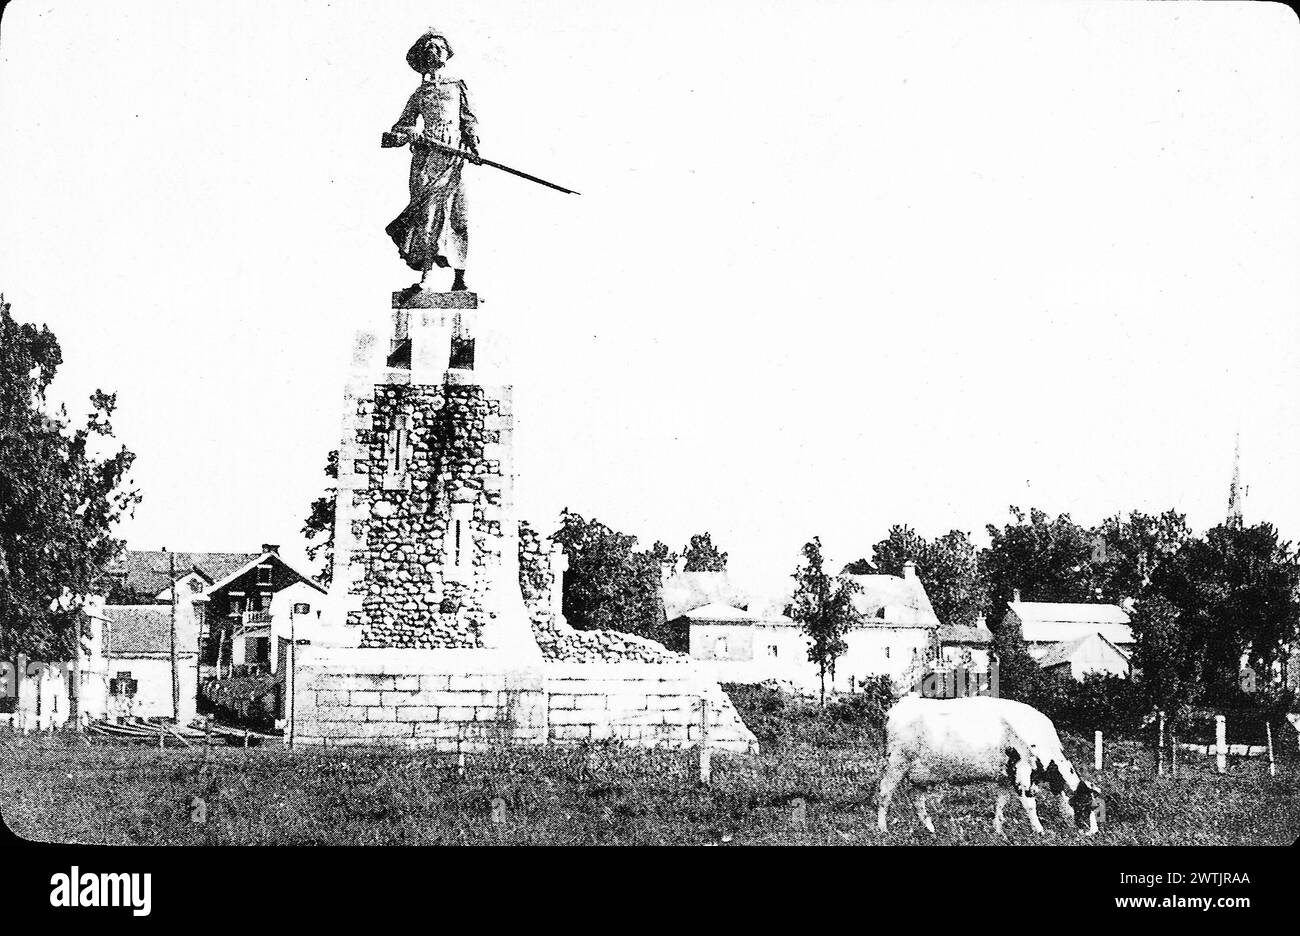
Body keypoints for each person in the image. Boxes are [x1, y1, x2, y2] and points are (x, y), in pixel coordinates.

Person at [382, 30, 480, 293]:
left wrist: (474, 147)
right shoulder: (420, 93)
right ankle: (426, 278)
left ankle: (460, 277)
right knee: (427, 218)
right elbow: (400, 127)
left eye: (439, 47)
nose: (433, 50)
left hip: (455, 158)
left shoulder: (457, 86)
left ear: (447, 54)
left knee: (459, 215)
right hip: (428, 161)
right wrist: (411, 134)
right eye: (428, 48)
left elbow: (468, 120)